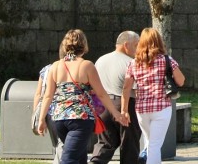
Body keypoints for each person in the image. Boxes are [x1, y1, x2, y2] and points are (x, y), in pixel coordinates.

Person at [37, 29, 130, 164]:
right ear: (84, 45)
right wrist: (116, 113)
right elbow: (102, 94)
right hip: (80, 119)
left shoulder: (56, 66)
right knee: (69, 159)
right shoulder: (86, 65)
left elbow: (47, 96)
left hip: (59, 119)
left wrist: (41, 119)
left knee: (79, 157)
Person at [122, 28, 186, 164]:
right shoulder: (167, 60)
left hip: (141, 110)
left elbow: (126, 87)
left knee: (149, 142)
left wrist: (124, 110)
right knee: (155, 145)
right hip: (161, 108)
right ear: (158, 41)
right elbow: (181, 81)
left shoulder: (133, 63)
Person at [91, 31, 142, 164]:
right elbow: (137, 89)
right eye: (136, 45)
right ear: (126, 45)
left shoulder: (100, 60)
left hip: (102, 106)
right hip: (125, 105)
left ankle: (95, 162)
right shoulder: (131, 63)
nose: (139, 49)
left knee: (105, 142)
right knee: (129, 143)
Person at [32, 54, 64, 164]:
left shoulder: (46, 69)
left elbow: (38, 95)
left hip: (49, 112)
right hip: (64, 111)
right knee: (62, 145)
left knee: (57, 145)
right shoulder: (72, 67)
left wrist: (37, 116)